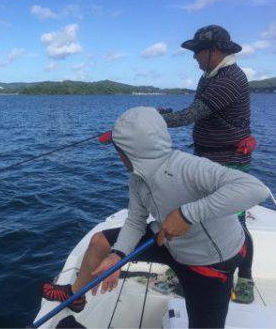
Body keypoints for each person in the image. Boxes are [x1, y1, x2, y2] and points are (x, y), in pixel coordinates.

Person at [41, 107, 269, 328]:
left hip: (208, 262)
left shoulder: (188, 167)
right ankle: (76, 296)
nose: (116, 152)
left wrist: (187, 214)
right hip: (166, 241)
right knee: (99, 242)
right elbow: (135, 220)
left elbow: (255, 189)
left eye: (117, 146)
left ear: (132, 149)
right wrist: (118, 255)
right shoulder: (137, 177)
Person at [159, 25, 256, 303]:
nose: (194, 57)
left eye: (197, 51)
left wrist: (152, 120)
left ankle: (245, 279)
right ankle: (199, 271)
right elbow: (198, 110)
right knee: (202, 217)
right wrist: (167, 113)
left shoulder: (230, 79)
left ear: (214, 51)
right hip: (206, 157)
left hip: (229, 161)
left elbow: (192, 114)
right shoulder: (208, 76)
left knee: (234, 222)